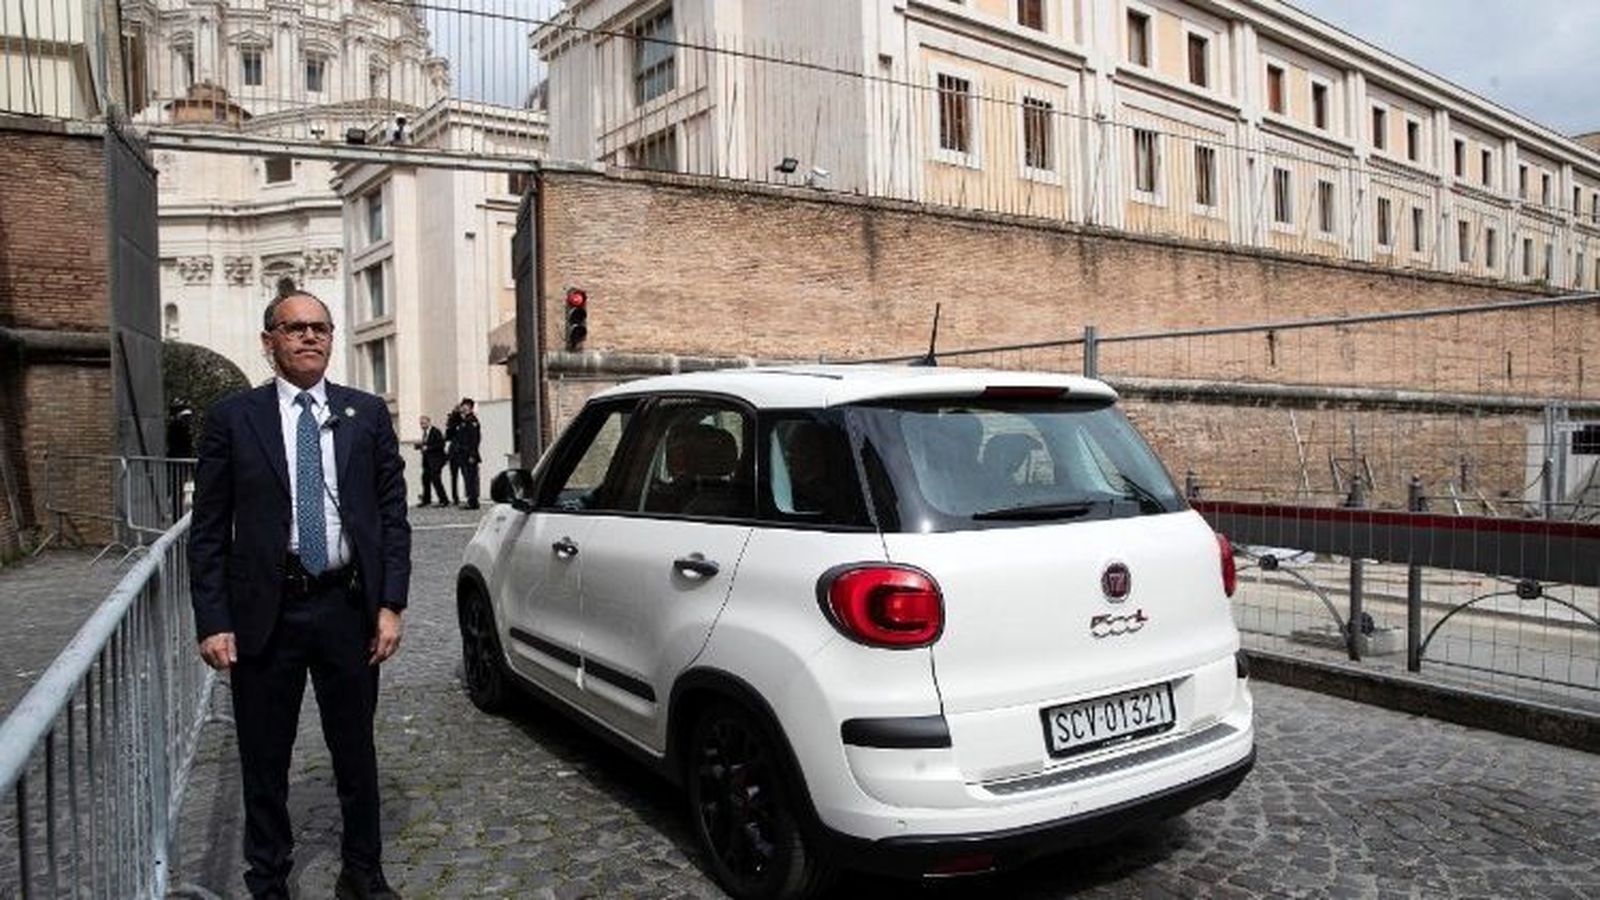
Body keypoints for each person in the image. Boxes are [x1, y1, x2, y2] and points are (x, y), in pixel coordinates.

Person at [188, 291, 410, 900]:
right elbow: (207, 530)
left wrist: (391, 603)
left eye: (320, 328)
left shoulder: (365, 413)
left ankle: (362, 872)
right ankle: (269, 880)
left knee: (355, 753)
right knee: (264, 760)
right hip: (267, 613)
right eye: (296, 329)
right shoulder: (234, 419)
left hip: (346, 608)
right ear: (270, 341)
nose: (310, 338)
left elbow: (393, 515)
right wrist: (212, 619)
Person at [451, 398, 482, 510]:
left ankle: (473, 502)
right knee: (467, 478)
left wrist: (472, 455)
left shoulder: (472, 420)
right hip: (463, 454)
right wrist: (455, 412)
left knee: (471, 479)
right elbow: (451, 426)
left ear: (470, 407)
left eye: (465, 405)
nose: (462, 407)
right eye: (462, 405)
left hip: (469, 454)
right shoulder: (463, 420)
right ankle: (471, 500)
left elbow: (475, 440)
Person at [412, 415, 447, 507]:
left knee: (436, 480)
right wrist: (419, 446)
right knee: (425, 479)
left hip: (436, 460)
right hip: (427, 461)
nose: (422, 425)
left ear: (428, 422)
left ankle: (443, 500)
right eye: (421, 423)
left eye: (423, 423)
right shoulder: (424, 433)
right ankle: (426, 499)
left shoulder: (435, 431)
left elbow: (441, 444)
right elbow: (426, 445)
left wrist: (427, 447)